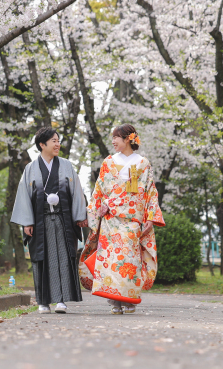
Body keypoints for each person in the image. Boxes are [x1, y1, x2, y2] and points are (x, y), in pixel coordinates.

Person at [79, 124, 165, 315]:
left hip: (132, 219)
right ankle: (114, 300)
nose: (113, 141)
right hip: (110, 219)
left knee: (129, 259)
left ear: (127, 139)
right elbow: (99, 190)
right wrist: (94, 212)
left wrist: (150, 216)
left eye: (116, 137)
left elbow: (150, 191)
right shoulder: (108, 162)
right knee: (111, 260)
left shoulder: (143, 163)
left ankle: (129, 298)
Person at [11, 127, 88, 314]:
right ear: (42, 144)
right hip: (40, 221)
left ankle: (61, 300)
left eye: (58, 140)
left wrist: (80, 216)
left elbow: (76, 191)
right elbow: (24, 196)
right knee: (41, 259)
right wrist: (27, 222)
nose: (57, 144)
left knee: (63, 258)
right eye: (53, 141)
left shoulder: (67, 166)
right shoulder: (30, 169)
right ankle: (43, 302)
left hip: (63, 220)